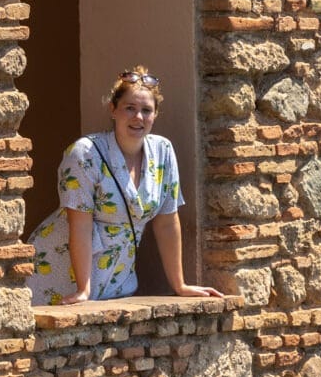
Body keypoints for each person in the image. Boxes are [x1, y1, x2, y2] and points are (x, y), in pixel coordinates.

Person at [28, 69, 221, 306]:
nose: (138, 117)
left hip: (117, 278)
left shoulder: (163, 152)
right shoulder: (85, 153)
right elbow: (79, 223)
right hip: (58, 272)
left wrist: (179, 285)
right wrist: (83, 290)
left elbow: (167, 221)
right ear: (113, 109)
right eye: (129, 108)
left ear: (155, 114)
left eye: (146, 110)